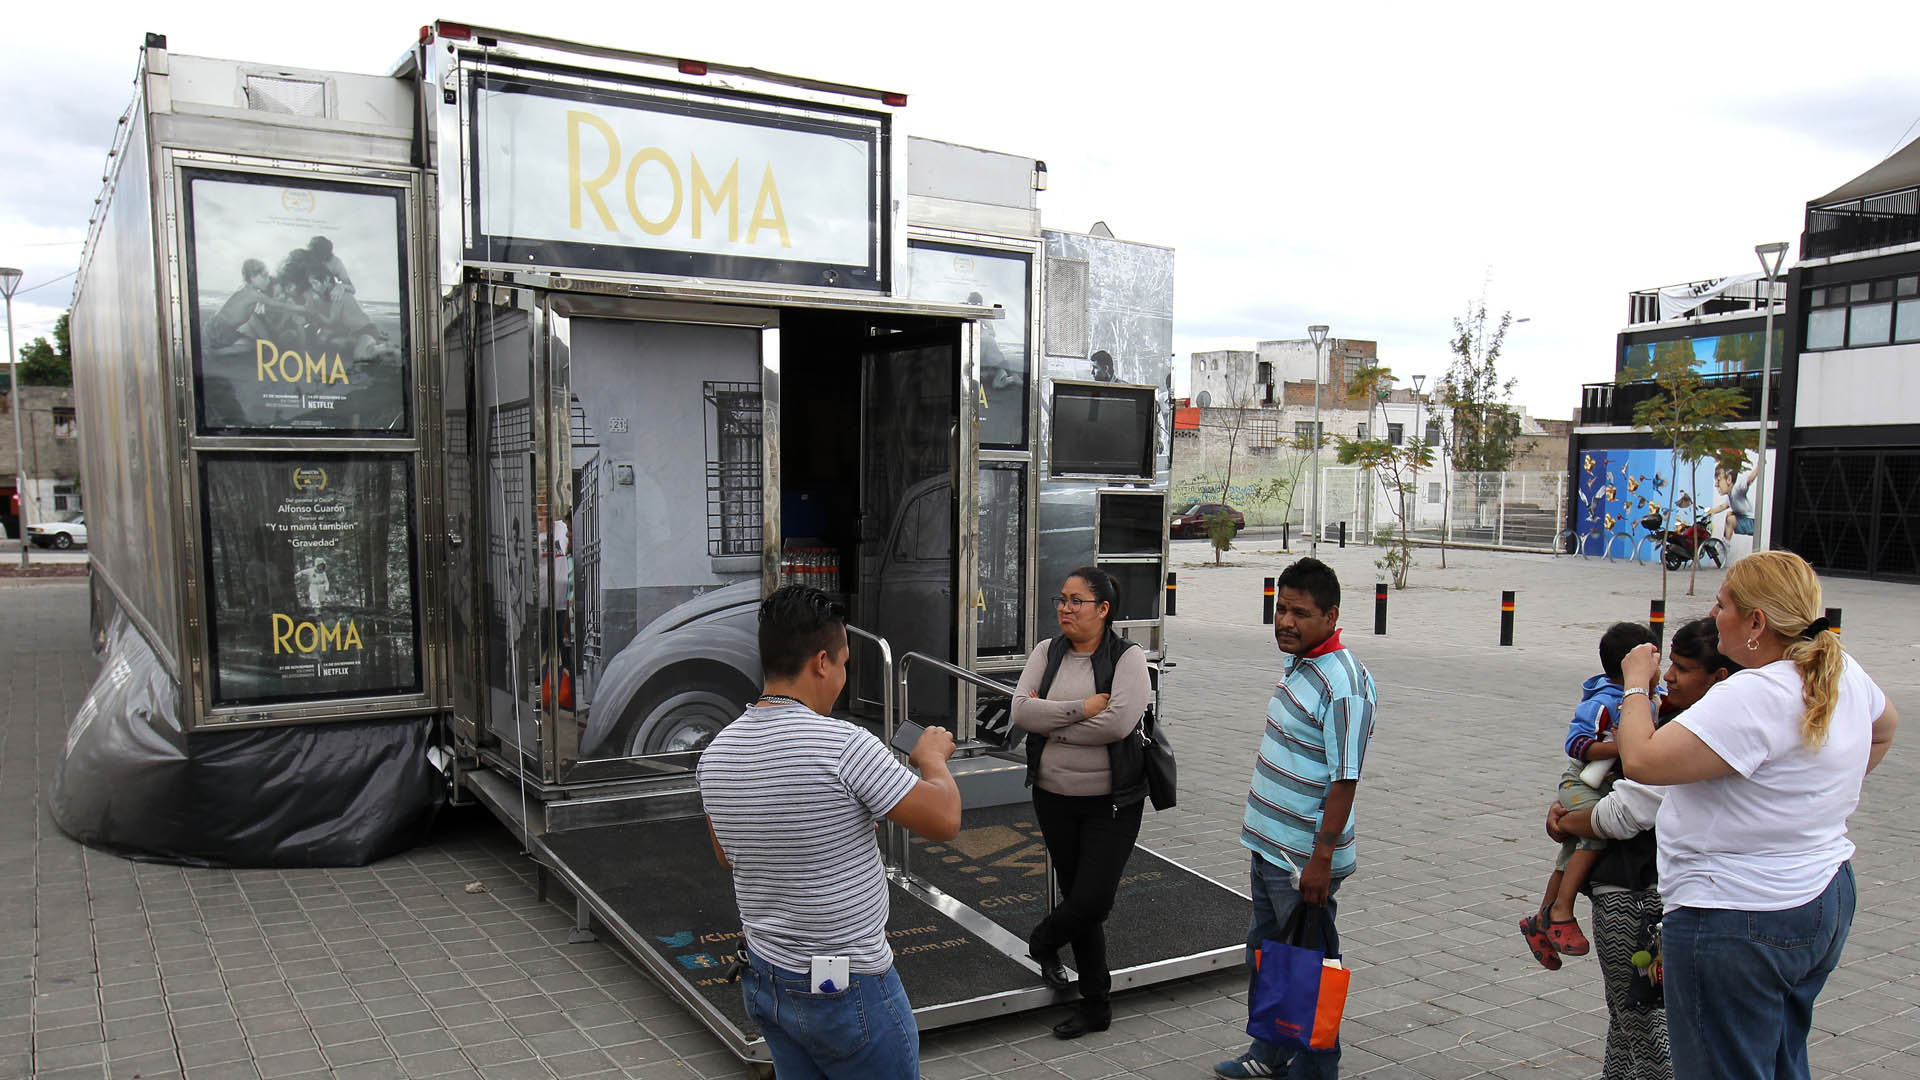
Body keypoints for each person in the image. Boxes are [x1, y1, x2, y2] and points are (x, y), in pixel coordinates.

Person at [1616, 550, 1899, 1080]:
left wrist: (1635, 683)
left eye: (1721, 603)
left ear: (1755, 622)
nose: (1712, 611)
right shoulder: (1838, 669)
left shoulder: (1754, 693)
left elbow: (1641, 760)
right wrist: (1808, 794)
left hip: (1737, 914)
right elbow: (1885, 727)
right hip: (1821, 896)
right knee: (1781, 1060)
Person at [696, 585, 961, 1079]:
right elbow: (945, 819)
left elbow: (728, 854)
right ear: (821, 662)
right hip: (845, 986)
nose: (842, 676)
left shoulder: (717, 753)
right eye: (842, 663)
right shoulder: (844, 744)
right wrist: (932, 760)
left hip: (768, 978)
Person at [1546, 616, 1743, 1080]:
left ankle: (1555, 909)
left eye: (1683, 668)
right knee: (1626, 1016)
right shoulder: (1682, 718)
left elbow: (1622, 815)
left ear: (1719, 678)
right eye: (1668, 664)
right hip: (1642, 889)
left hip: (1637, 895)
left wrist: (1567, 820)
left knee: (1643, 1027)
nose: (1670, 675)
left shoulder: (1690, 732)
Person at [1217, 557, 1377, 1080]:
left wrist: (1320, 861)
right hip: (1271, 847)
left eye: (1300, 613)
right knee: (1268, 958)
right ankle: (1268, 1053)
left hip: (1303, 859)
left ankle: (1316, 1066)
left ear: (1332, 615)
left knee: (1306, 968)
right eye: (1280, 609)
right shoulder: (1306, 663)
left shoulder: (1343, 684)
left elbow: (1344, 780)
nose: (1285, 621)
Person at [1011, 567, 1152, 1040]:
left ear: (1103, 609)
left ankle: (1043, 940)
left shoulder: (1127, 658)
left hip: (1112, 801)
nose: (1065, 609)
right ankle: (1096, 1004)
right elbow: (1019, 711)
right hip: (1053, 796)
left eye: (1077, 601)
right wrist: (1082, 709)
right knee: (1080, 902)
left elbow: (1118, 725)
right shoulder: (1046, 652)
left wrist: (1050, 723)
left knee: (1093, 899)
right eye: (1062, 599)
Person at [1521, 622, 1658, 969]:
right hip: (1583, 785)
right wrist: (1618, 745)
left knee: (1572, 849)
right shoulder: (1605, 702)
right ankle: (1562, 911)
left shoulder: (1649, 698)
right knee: (1594, 839)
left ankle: (1541, 918)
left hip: (1603, 786)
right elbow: (1576, 744)